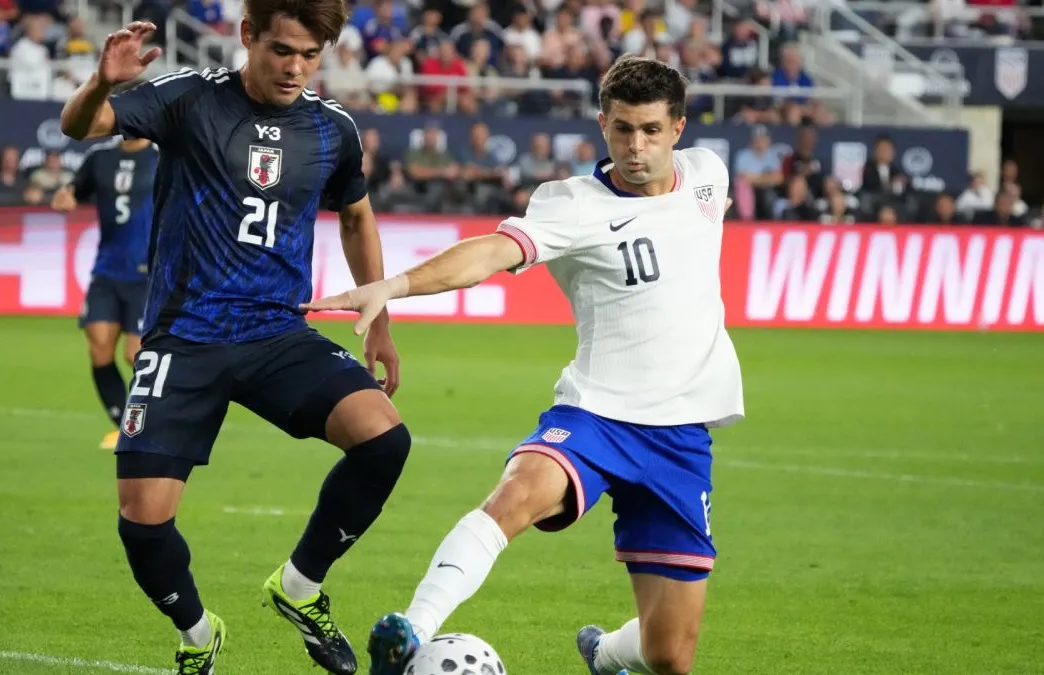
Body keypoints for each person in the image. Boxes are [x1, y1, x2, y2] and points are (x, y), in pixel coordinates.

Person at [303, 55, 744, 675]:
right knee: (516, 497)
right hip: (597, 416)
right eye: (621, 129)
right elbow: (488, 253)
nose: (635, 146)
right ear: (601, 124)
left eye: (649, 130)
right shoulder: (573, 206)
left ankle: (603, 653)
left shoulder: (708, 177)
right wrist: (394, 285)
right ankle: (413, 630)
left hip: (680, 437)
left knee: (668, 655)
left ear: (678, 128)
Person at [58, 1, 411, 672]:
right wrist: (102, 81)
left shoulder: (331, 128)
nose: (296, 68)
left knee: (385, 438)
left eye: (311, 56)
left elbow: (357, 218)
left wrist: (381, 323)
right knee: (143, 522)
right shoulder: (189, 99)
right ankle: (197, 633)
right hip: (183, 337)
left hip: (276, 331)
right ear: (248, 35)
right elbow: (83, 126)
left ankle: (299, 587)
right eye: (283, 50)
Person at [51, 136, 158, 450]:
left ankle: (160, 419)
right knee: (99, 348)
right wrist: (65, 196)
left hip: (148, 272)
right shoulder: (99, 155)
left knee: (134, 354)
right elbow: (74, 189)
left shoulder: (162, 154)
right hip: (107, 269)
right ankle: (128, 428)